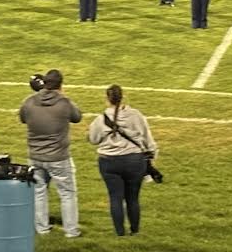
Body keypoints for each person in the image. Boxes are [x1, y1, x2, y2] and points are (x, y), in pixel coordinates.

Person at [86, 85, 158, 237]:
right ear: (123, 97)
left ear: (107, 99)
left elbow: (93, 139)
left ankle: (120, 234)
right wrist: (152, 160)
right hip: (134, 161)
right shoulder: (136, 115)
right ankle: (135, 231)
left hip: (109, 163)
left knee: (115, 198)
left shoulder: (100, 120)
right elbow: (148, 140)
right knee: (133, 198)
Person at [19, 69, 82, 238]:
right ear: (60, 85)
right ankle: (71, 231)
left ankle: (42, 229)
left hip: (35, 156)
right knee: (67, 193)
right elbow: (77, 117)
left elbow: (23, 118)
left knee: (39, 192)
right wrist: (63, 96)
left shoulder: (29, 101)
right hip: (59, 157)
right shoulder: (64, 103)